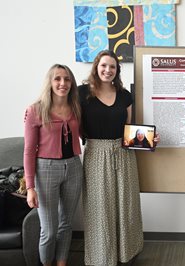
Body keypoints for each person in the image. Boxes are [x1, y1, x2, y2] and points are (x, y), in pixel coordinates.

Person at [79, 50, 159, 266]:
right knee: (99, 208)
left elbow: (128, 130)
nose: (107, 70)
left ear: (117, 70)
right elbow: (71, 121)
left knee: (126, 204)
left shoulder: (124, 95)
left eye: (112, 67)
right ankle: (101, 257)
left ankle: (127, 253)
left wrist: (148, 140)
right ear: (96, 67)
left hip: (123, 155)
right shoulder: (81, 93)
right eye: (104, 65)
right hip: (95, 155)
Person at [24, 64, 83, 266]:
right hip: (46, 170)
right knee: (48, 230)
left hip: (74, 167)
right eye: (57, 79)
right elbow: (29, 150)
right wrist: (30, 187)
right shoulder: (35, 110)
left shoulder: (76, 107)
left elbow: (91, 133)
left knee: (66, 225)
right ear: (50, 82)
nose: (62, 83)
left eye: (67, 79)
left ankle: (62, 263)